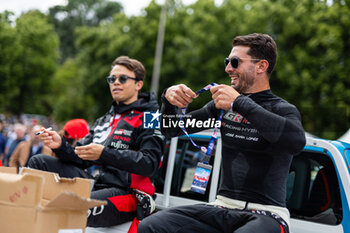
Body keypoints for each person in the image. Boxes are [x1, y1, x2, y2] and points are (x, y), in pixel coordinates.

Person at [138, 33, 306, 233]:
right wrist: (168, 100)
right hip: (222, 206)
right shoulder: (221, 107)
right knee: (151, 225)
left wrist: (240, 103)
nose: (228, 69)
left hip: (266, 213)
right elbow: (171, 129)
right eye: (228, 62)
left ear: (261, 66)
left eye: (235, 62)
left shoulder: (282, 109)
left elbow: (296, 142)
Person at [28, 56, 164, 229]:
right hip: (97, 184)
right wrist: (60, 145)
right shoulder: (104, 120)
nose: (115, 82)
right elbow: (81, 158)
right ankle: (25, 215)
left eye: (122, 78)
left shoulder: (151, 117)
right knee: (38, 161)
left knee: (77, 207)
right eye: (111, 79)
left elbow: (149, 163)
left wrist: (104, 153)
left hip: (129, 194)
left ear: (138, 84)